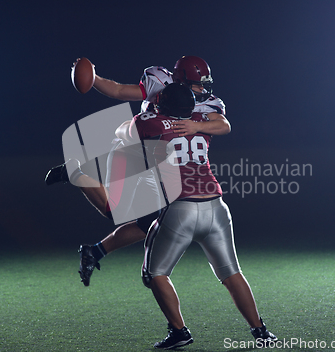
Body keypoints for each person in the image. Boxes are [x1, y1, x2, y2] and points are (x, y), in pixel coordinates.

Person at [115, 83, 277, 349]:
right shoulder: (202, 120)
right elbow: (223, 124)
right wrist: (194, 122)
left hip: (181, 208)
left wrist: (147, 112)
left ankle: (179, 332)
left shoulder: (150, 122)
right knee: (231, 273)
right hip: (216, 207)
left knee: (154, 273)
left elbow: (122, 131)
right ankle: (260, 331)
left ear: (161, 104)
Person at [45, 56, 231, 286]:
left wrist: (196, 126)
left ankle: (94, 252)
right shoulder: (159, 82)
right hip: (132, 151)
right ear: (179, 81)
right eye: (197, 83)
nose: (202, 89)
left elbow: (224, 125)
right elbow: (119, 91)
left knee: (153, 220)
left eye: (205, 83)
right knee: (114, 210)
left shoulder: (209, 103)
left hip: (161, 162)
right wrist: (94, 78)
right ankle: (74, 173)